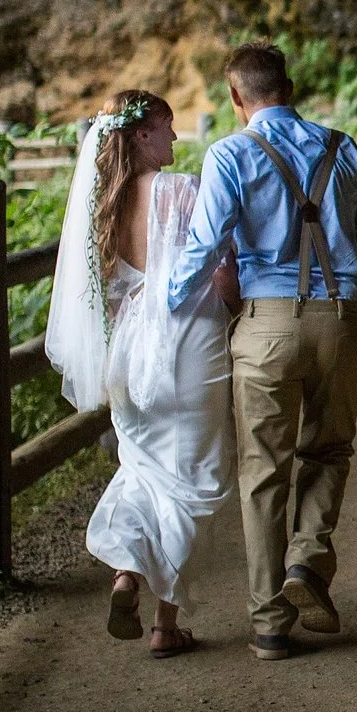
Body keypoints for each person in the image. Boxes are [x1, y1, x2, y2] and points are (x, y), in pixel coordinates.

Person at [163, 43, 357, 661]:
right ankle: (308, 564)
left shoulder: (230, 153)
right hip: (340, 322)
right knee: (330, 448)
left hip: (265, 329)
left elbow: (204, 246)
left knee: (264, 471)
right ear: (288, 87)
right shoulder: (342, 148)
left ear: (237, 99)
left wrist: (165, 311)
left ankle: (268, 624)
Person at [46, 89, 240, 656]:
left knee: (143, 469)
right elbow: (219, 266)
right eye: (167, 126)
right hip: (188, 344)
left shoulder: (100, 204)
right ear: (140, 135)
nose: (176, 137)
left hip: (128, 351)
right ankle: (164, 625)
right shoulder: (180, 191)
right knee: (194, 481)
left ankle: (127, 571)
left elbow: (104, 293)